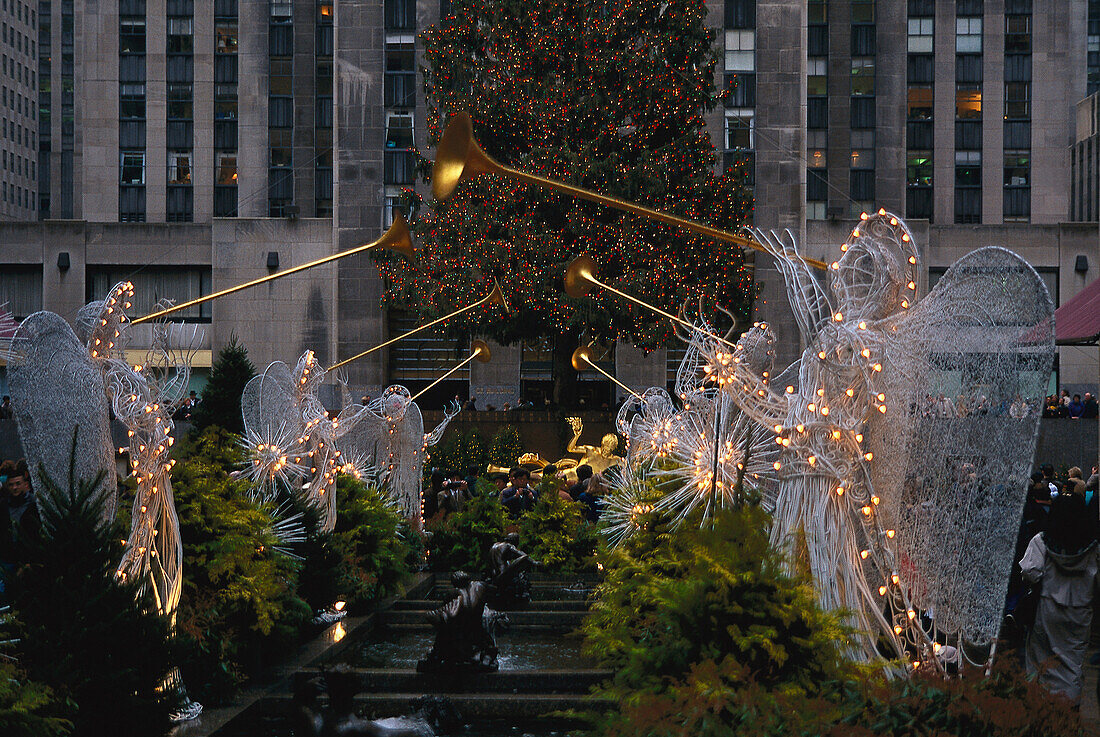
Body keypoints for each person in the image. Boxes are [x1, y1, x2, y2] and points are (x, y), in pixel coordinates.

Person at [1020, 493, 1100, 702]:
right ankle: (1070, 703)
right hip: (1080, 610)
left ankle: (1039, 699)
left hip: (1047, 607)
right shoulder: (1093, 547)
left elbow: (1030, 572)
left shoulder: (1043, 540)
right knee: (1072, 661)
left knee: (1041, 658)